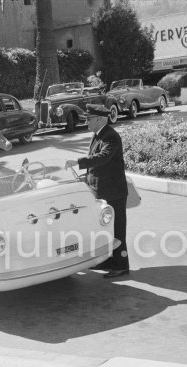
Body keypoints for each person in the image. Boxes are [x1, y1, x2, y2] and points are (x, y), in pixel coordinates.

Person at [65, 104, 129, 278]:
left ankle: (121, 264)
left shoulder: (111, 136)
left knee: (117, 229)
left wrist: (78, 162)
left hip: (113, 192)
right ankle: (108, 261)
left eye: (89, 118)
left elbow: (103, 157)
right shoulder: (99, 134)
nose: (86, 121)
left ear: (100, 119)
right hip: (101, 190)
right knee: (104, 229)